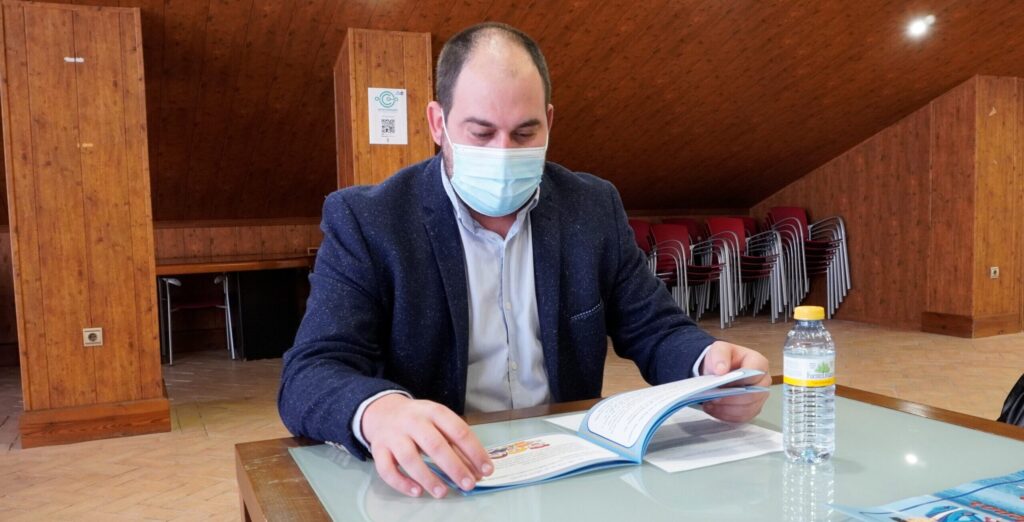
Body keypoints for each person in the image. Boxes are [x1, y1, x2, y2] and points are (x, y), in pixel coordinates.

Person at [278, 22, 770, 499]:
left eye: (524, 133)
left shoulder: (592, 207)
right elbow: (311, 372)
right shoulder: (370, 220)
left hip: (566, 472)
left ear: (549, 122)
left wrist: (711, 363)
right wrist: (379, 411)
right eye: (482, 133)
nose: (503, 153)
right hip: (440, 481)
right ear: (438, 123)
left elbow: (654, 328)